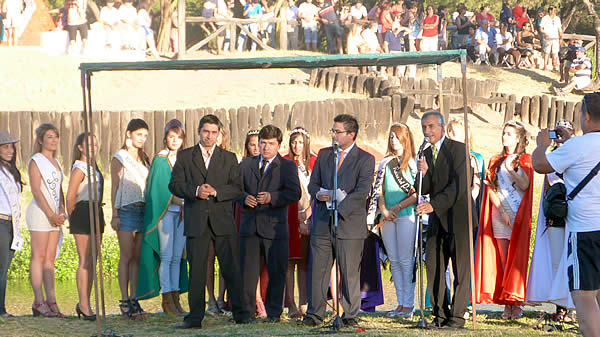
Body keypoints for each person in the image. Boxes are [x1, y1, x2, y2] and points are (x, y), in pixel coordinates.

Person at [169, 114, 251, 329]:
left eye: (214, 132)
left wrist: (216, 191)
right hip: (196, 220)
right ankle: (195, 318)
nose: (209, 136)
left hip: (222, 220)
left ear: (219, 134)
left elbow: (237, 188)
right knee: (196, 270)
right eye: (206, 131)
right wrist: (195, 191)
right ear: (199, 131)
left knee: (231, 267)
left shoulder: (229, 157)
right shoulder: (185, 156)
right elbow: (174, 185)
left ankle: (241, 314)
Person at [532, 92, 600, 337]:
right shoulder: (577, 144)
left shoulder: (577, 146)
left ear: (587, 115)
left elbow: (540, 165)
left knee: (585, 296)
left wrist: (541, 144)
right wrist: (571, 140)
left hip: (585, 232)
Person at [301, 114, 375, 327]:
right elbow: (312, 185)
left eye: (337, 131)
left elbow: (362, 191)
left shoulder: (365, 159)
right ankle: (314, 314)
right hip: (323, 221)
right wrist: (319, 194)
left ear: (351, 134)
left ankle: (350, 315)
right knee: (318, 271)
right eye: (332, 131)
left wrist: (340, 205)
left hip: (349, 223)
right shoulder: (325, 155)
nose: (333, 134)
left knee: (349, 272)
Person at [415, 111, 475, 328]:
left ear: (441, 127)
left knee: (461, 269)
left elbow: (459, 186)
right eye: (424, 127)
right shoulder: (425, 152)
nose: (427, 131)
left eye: (430, 126)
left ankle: (458, 317)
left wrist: (434, 205)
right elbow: (423, 187)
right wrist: (423, 173)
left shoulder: (458, 149)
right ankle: (439, 314)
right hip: (436, 220)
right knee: (434, 266)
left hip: (459, 217)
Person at [237, 125, 301, 322]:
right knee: (248, 274)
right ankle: (246, 313)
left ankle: (274, 313)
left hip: (275, 228)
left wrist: (272, 197)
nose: (266, 148)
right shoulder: (246, 164)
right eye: (263, 143)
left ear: (279, 145)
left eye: (271, 144)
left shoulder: (287, 166)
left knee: (277, 272)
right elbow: (234, 189)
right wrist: (243, 198)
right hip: (250, 227)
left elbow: (294, 193)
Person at [475, 120, 533, 320]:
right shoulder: (495, 160)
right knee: (503, 259)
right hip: (500, 214)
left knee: (515, 260)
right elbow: (490, 187)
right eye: (503, 133)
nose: (504, 137)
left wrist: (511, 168)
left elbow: (525, 185)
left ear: (518, 138)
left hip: (518, 213)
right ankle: (506, 304)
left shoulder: (524, 160)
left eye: (509, 134)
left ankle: (516, 303)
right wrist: (502, 210)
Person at [136, 120, 188, 317]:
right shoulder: (160, 160)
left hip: (182, 213)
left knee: (177, 257)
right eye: (171, 136)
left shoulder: (183, 158)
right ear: (165, 137)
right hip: (166, 213)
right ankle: (167, 298)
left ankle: (176, 298)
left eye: (179, 137)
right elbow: (159, 191)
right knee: (166, 257)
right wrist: (183, 202)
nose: (175, 140)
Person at [526, 120, 576, 318]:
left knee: (574, 260)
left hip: (574, 214)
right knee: (557, 260)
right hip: (556, 213)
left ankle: (574, 305)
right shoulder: (551, 158)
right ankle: (560, 306)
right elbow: (547, 185)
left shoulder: (577, 154)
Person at [371, 123, 417, 318]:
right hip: (387, 217)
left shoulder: (413, 163)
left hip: (406, 215)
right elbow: (378, 190)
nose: (393, 140)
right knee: (395, 260)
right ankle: (400, 303)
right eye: (391, 137)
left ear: (405, 139)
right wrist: (383, 209)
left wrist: (398, 207)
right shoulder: (385, 163)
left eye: (397, 137)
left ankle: (409, 304)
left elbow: (418, 193)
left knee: (406, 260)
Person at [111, 119, 150, 320]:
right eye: (138, 134)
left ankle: (135, 298)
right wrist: (114, 213)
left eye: (145, 135)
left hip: (142, 210)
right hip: (125, 209)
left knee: (137, 257)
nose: (142, 139)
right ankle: (125, 299)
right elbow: (115, 187)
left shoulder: (145, 159)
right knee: (126, 256)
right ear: (129, 134)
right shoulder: (120, 157)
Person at [27, 123, 67, 318]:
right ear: (41, 140)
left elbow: (59, 189)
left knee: (50, 260)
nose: (53, 140)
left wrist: (61, 210)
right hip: (40, 214)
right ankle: (38, 301)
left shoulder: (57, 163)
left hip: (54, 216)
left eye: (55, 136)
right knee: (39, 257)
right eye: (49, 137)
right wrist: (51, 214)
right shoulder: (36, 161)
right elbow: (36, 190)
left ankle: (51, 300)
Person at [66, 133, 105, 321]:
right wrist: (72, 218)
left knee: (93, 260)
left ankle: (87, 302)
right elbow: (71, 196)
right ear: (80, 147)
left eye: (95, 144)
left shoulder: (93, 168)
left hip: (96, 211)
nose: (93, 147)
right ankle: (83, 304)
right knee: (85, 261)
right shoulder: (79, 168)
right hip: (83, 212)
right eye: (88, 144)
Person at [284, 127, 316, 318]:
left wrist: (309, 213)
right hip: (290, 216)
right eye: (294, 142)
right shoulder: (285, 163)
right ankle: (291, 304)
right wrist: (297, 217)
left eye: (300, 142)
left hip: (312, 214)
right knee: (290, 262)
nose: (297, 146)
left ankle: (305, 302)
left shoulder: (314, 162)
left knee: (304, 262)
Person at [0, 130, 24, 318]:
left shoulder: (11, 170)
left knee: (5, 267)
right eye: (5, 147)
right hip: (0, 221)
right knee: (1, 268)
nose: (10, 150)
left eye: (11, 147)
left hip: (11, 223)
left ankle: (2, 307)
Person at [539, 6, 562, 71]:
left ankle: (554, 66)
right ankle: (545, 66)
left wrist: (560, 36)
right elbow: (541, 28)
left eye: (555, 11)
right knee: (547, 52)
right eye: (553, 10)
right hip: (547, 37)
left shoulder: (557, 19)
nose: (554, 12)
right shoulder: (545, 18)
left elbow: (559, 28)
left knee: (554, 53)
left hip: (555, 37)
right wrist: (545, 34)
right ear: (550, 11)